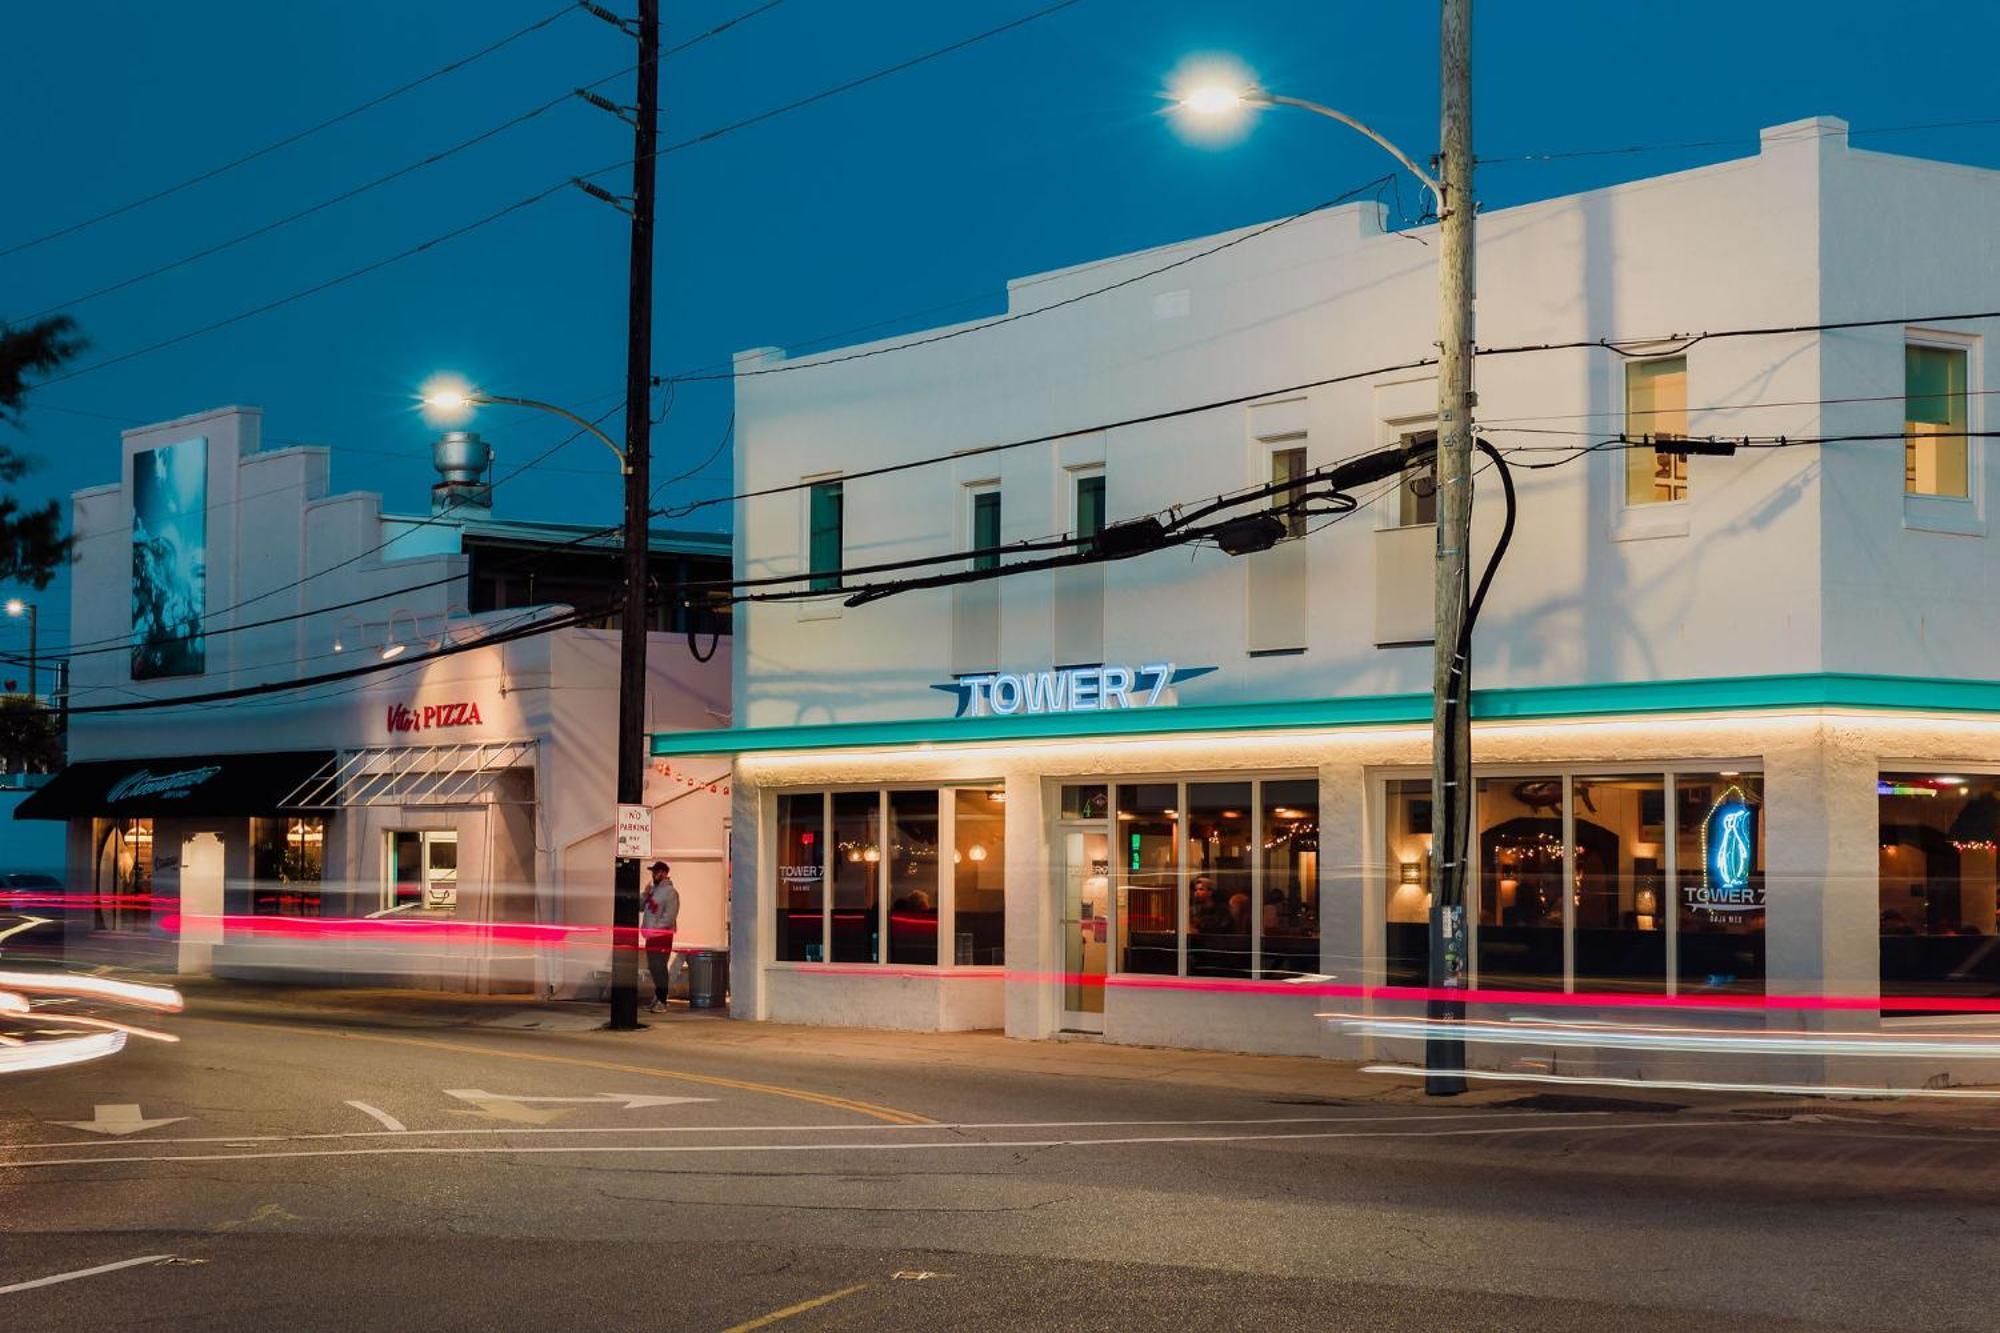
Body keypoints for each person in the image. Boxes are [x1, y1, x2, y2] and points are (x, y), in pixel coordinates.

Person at [640, 860, 679, 1013]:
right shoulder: (654, 891)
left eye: (655, 872)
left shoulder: (670, 892)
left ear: (663, 873)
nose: (653, 875)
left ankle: (662, 1000)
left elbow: (669, 917)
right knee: (653, 968)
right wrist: (645, 893)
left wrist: (655, 930)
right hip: (651, 936)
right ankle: (657, 997)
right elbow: (641, 906)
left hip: (662, 936)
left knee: (659, 967)